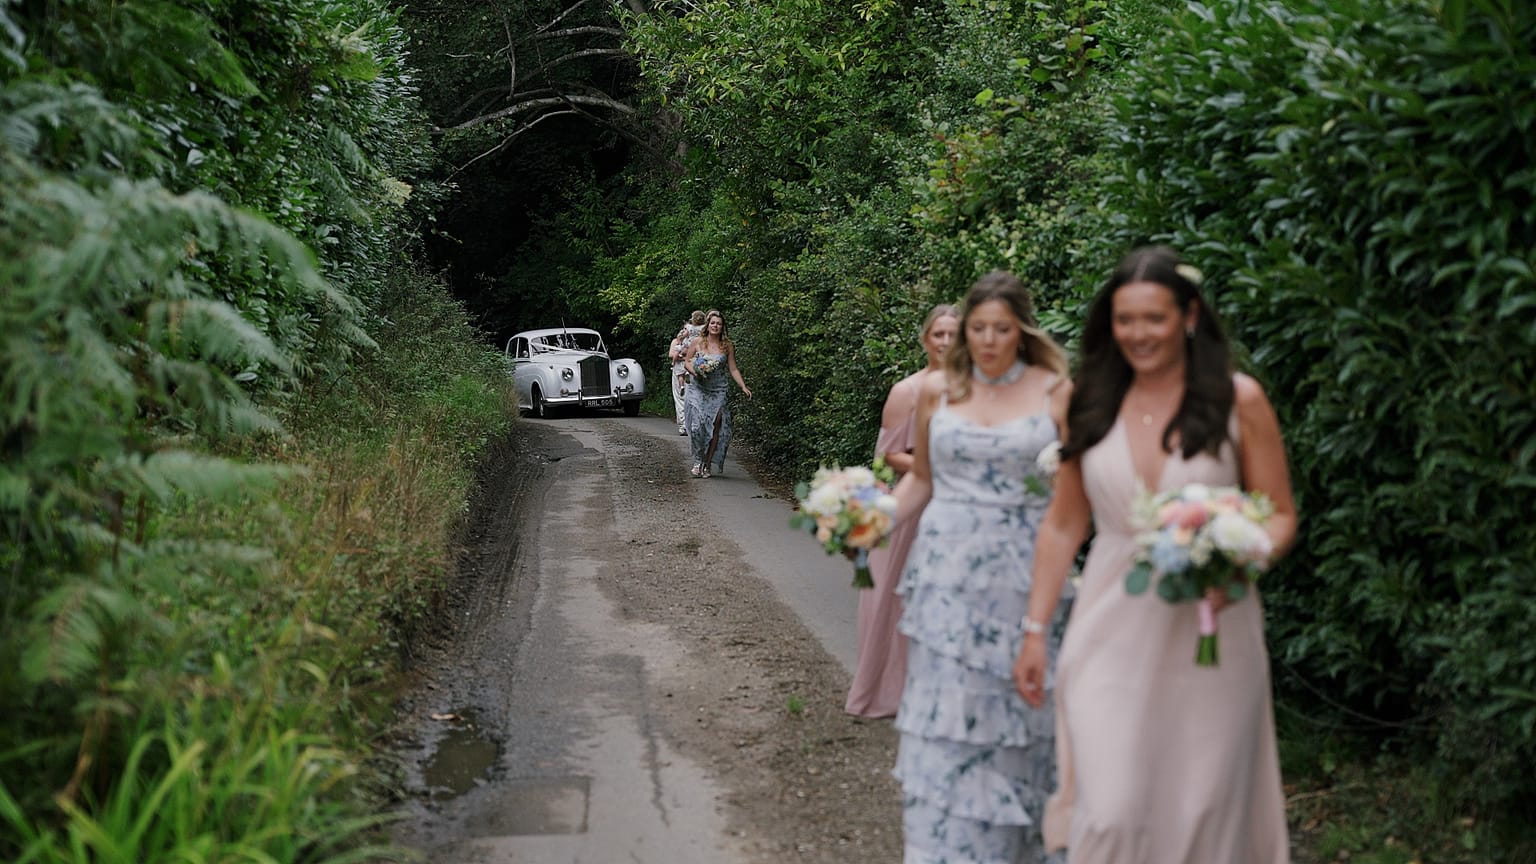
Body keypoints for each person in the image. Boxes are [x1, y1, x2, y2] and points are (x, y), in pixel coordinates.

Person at [1011, 246, 1298, 862]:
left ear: (1189, 316)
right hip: (1110, 622)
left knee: (1202, 807)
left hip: (1213, 627)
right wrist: (1035, 631)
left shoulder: (1236, 399)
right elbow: (1064, 526)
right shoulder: (1086, 402)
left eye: (1154, 318)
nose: (1138, 334)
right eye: (1124, 320)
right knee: (1109, 810)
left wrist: (1243, 557)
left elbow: (1279, 512)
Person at [887, 272, 1071, 864]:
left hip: (1023, 569)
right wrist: (869, 522)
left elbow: (1074, 497)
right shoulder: (940, 390)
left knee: (1021, 705)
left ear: (1023, 329)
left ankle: (1022, 841)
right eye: (979, 328)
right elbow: (923, 480)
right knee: (950, 712)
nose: (989, 340)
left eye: (1003, 328)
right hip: (945, 574)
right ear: (964, 331)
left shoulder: (1057, 390)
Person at [845, 303, 959, 719]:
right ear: (925, 338)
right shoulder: (907, 391)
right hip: (912, 502)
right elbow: (889, 455)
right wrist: (936, 466)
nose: (946, 341)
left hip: (959, 505)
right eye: (938, 334)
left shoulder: (976, 389)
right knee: (891, 596)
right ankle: (887, 689)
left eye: (953, 334)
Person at [682, 310, 750, 478]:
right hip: (699, 388)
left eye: (719, 324)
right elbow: (687, 362)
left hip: (718, 390)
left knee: (715, 426)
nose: (715, 326)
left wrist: (743, 386)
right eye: (713, 323)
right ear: (708, 325)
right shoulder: (697, 342)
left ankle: (707, 463)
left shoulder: (727, 346)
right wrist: (696, 371)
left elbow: (733, 368)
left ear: (722, 327)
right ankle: (698, 460)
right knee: (697, 426)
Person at [669, 311, 705, 435]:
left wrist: (684, 357)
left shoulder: (693, 341)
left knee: (690, 398)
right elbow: (672, 355)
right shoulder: (677, 342)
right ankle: (683, 425)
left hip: (690, 370)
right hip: (682, 369)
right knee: (680, 398)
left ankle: (691, 425)